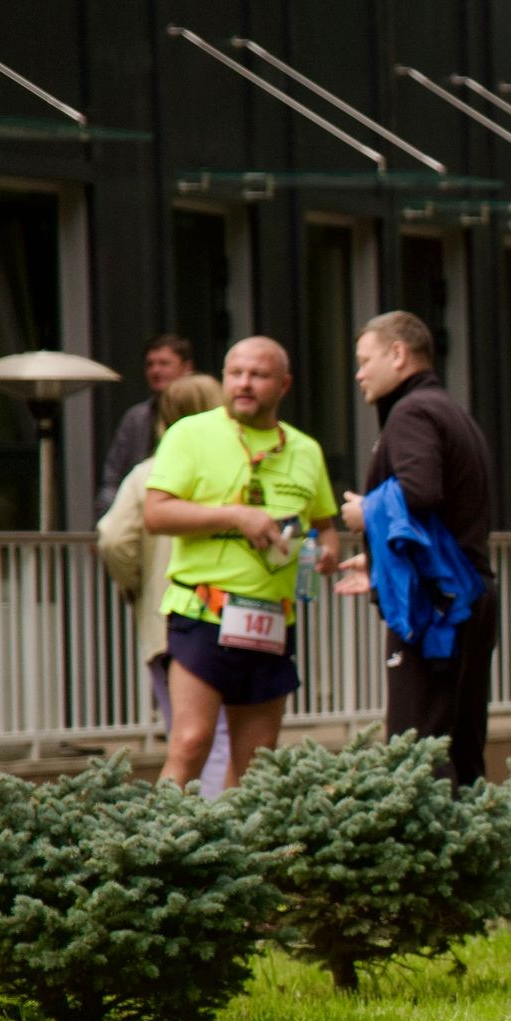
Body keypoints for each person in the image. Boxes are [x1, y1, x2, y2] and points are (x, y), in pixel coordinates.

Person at [141, 337, 340, 790]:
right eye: (236, 374)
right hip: (202, 612)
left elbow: (325, 525)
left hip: (271, 618)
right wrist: (235, 515)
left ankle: (238, 857)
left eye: (259, 375)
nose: (244, 384)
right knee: (191, 742)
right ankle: (154, 851)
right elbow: (156, 515)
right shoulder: (189, 434)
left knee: (256, 762)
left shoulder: (305, 450)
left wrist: (327, 551)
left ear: (284, 384)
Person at [336, 311, 499, 787]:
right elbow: (445, 516)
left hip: (438, 608)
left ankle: (430, 861)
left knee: (418, 749)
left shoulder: (413, 412)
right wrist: (381, 560)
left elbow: (420, 491)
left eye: (366, 360)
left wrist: (365, 512)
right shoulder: (449, 410)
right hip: (466, 594)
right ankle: (473, 851)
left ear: (399, 354)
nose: (359, 373)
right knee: (462, 746)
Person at [96, 371, 232, 794]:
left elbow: (114, 538)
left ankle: (188, 832)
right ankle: (222, 823)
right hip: (238, 615)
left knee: (186, 734)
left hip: (166, 620)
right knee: (227, 732)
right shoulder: (239, 467)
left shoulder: (147, 474)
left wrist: (133, 584)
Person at [95, 335, 194, 520]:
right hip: (140, 513)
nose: (155, 370)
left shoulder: (201, 413)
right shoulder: (137, 418)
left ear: (186, 367)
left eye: (164, 363)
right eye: (150, 364)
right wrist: (104, 521)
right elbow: (113, 477)